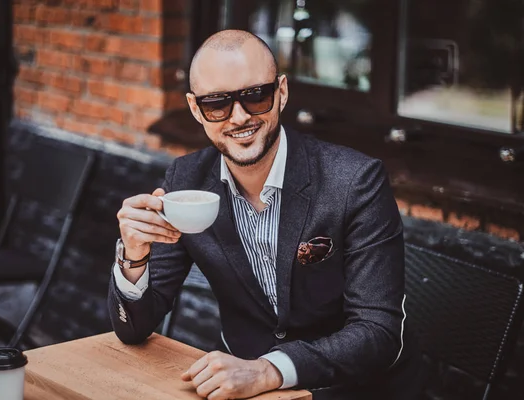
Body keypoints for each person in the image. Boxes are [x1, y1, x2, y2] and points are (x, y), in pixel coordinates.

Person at [108, 29, 424, 400]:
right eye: (217, 104)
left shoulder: (354, 181)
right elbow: (134, 329)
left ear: (282, 92)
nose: (239, 117)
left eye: (256, 96)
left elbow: (379, 331)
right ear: (196, 109)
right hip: (246, 391)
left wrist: (269, 369)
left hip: (352, 390)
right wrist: (134, 256)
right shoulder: (186, 180)